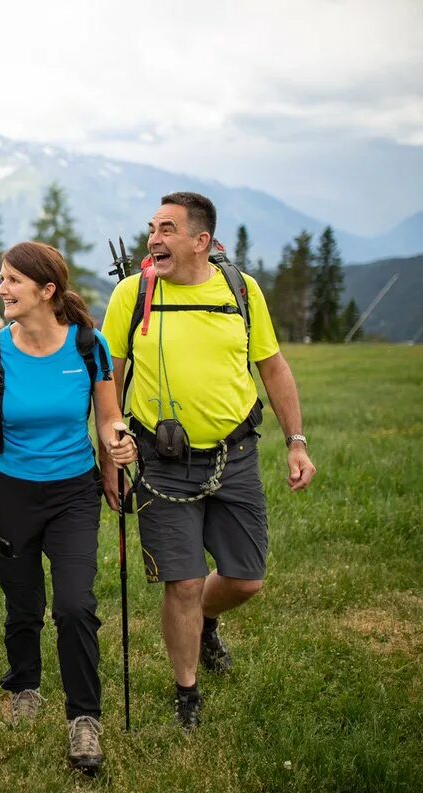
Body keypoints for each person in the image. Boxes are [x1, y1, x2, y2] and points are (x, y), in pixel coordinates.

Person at [100, 191, 316, 730]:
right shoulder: (133, 294)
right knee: (185, 582)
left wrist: (296, 441)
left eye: (168, 229)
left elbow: (273, 366)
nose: (154, 238)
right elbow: (110, 375)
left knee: (246, 579)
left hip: (235, 455)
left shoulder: (240, 291)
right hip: (159, 459)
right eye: (152, 227)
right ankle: (186, 691)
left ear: (201, 241)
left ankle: (208, 622)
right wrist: (108, 447)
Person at [0, 242, 136, 774]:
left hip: (73, 492)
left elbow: (107, 418)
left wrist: (120, 440)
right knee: (22, 603)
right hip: (11, 491)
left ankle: (84, 719)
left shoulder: (89, 346)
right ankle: (24, 682)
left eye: (12, 280)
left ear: (46, 291)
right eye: (1, 279)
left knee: (75, 605)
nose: (1, 289)